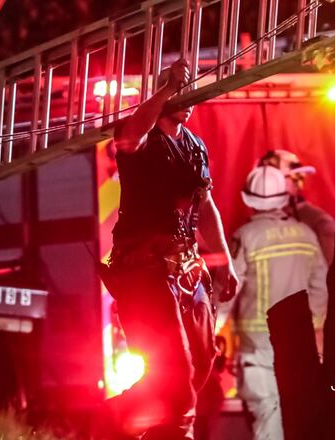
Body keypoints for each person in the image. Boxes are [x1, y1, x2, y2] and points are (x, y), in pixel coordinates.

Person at [95, 59, 238, 439]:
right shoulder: (137, 133)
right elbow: (128, 140)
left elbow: (205, 206)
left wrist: (224, 260)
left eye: (193, 93)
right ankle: (161, 431)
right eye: (182, 91)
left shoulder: (195, 146)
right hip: (143, 270)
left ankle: (118, 420)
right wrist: (166, 90)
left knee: (202, 361)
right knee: (174, 367)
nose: (190, 100)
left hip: (187, 270)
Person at [223, 165, 328, 440]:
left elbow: (228, 291)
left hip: (258, 350)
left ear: (249, 200)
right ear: (284, 198)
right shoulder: (306, 234)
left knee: (268, 425)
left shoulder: (245, 237)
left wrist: (210, 333)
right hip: (299, 350)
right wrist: (313, 329)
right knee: (299, 424)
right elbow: (320, 287)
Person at [258, 150, 335, 263]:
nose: (298, 183)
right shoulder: (259, 220)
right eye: (294, 177)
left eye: (299, 178)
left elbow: (330, 273)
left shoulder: (321, 223)